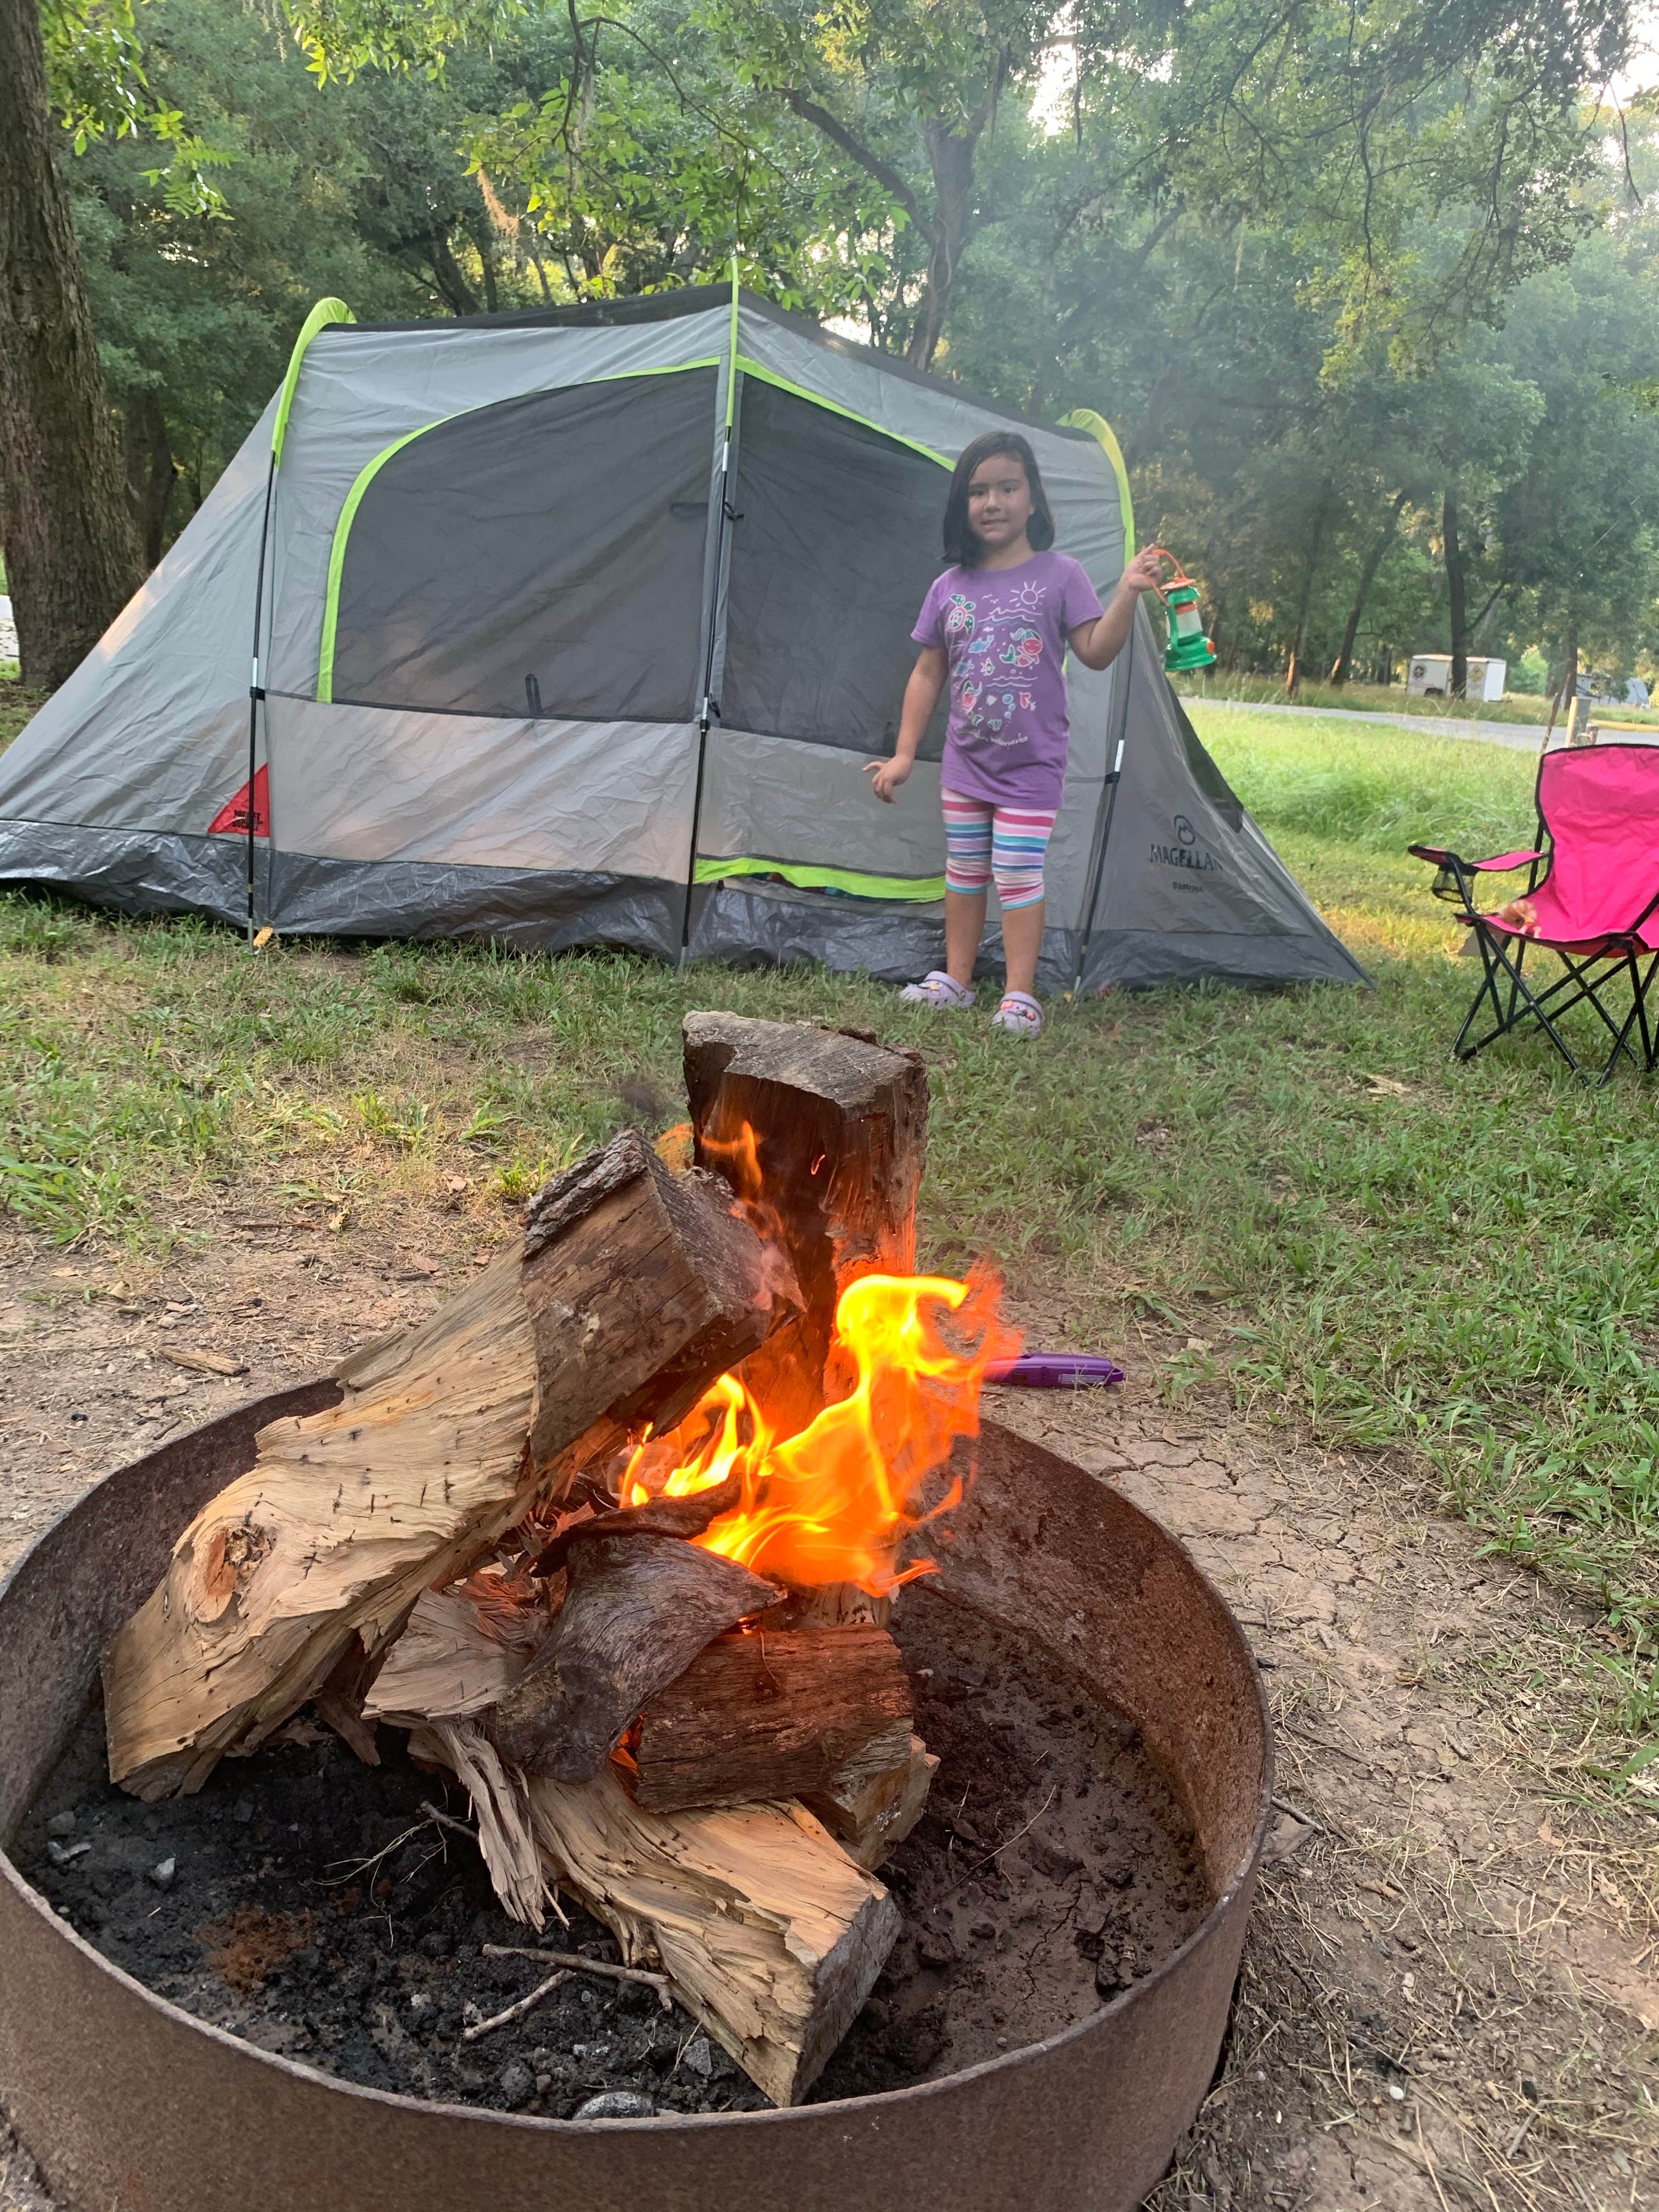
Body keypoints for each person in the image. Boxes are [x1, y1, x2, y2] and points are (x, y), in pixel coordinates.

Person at [866, 431, 1164, 1036]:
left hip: (1032, 767)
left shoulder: (1063, 575)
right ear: (962, 506)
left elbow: (1096, 652)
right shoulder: (948, 588)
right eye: (978, 491)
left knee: (1018, 873)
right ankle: (956, 980)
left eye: (1008, 487)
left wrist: (1128, 595)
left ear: (1033, 500)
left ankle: (1020, 995)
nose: (993, 501)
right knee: (965, 870)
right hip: (965, 765)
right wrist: (903, 754)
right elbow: (928, 673)